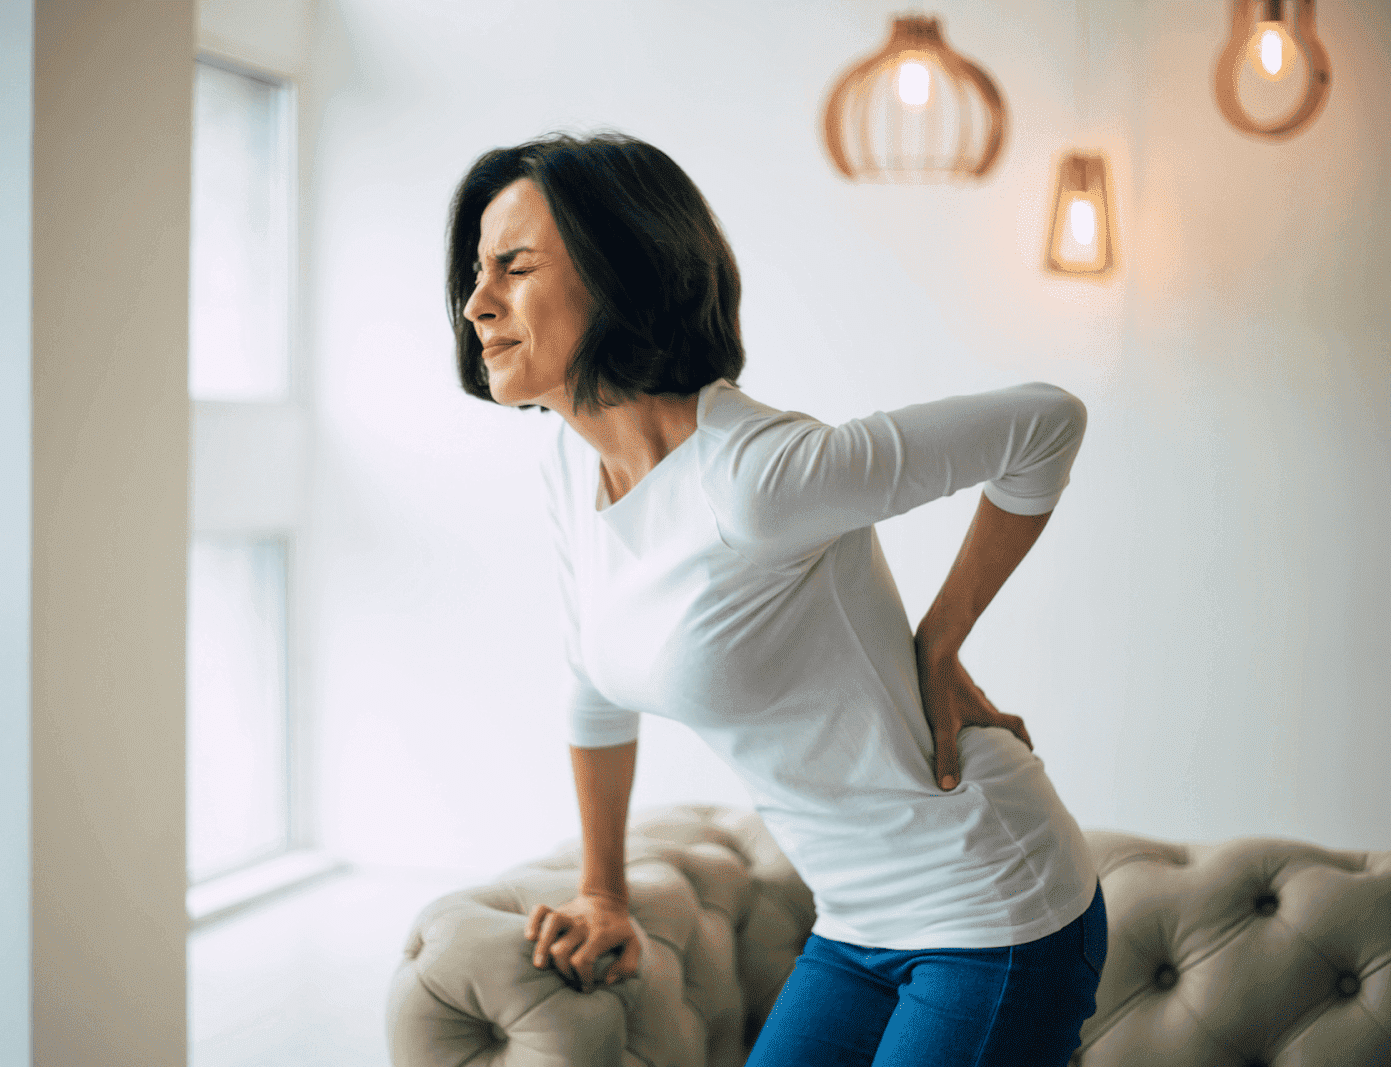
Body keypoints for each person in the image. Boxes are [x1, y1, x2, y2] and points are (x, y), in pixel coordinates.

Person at [445, 131, 1107, 1067]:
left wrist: (939, 639)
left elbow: (1046, 422)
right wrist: (604, 891)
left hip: (992, 906)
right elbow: (592, 683)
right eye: (476, 271)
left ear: (619, 274)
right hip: (852, 921)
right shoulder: (570, 460)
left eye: (514, 267)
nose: (477, 303)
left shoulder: (753, 476)